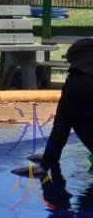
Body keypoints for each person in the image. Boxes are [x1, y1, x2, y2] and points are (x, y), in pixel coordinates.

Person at [13, 38, 93, 177]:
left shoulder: (78, 84)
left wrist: (46, 164)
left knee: (73, 117)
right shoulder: (85, 82)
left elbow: (62, 126)